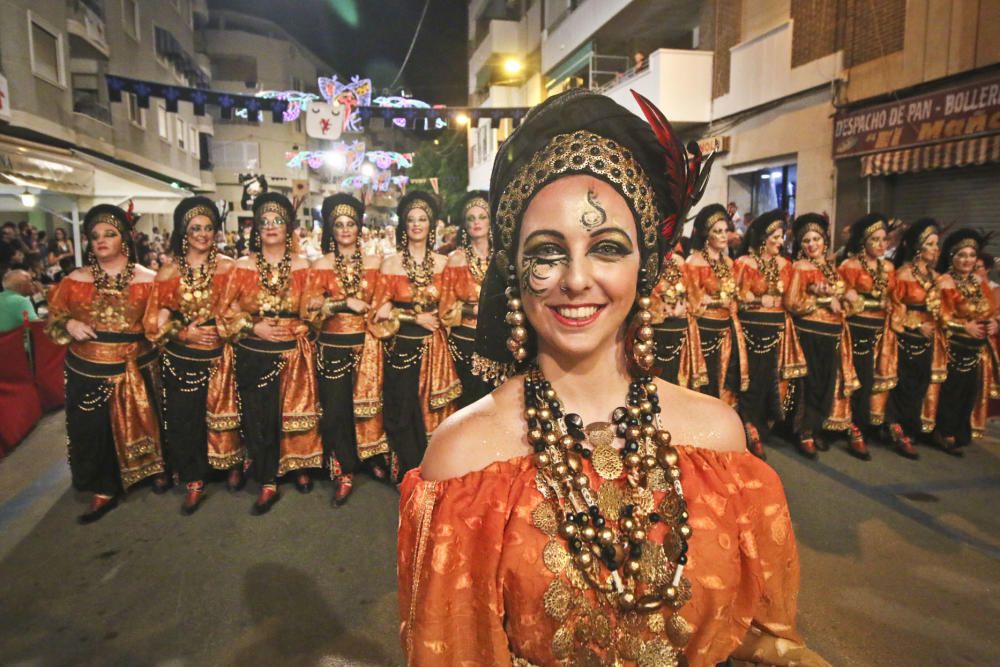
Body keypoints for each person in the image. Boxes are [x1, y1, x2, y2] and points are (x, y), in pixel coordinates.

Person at [398, 90, 827, 666]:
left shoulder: (720, 442)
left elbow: (748, 630)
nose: (576, 279)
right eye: (547, 252)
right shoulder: (462, 458)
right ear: (514, 273)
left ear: (645, 265)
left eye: (606, 248)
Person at [45, 204, 166, 523]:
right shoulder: (74, 279)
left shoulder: (149, 279)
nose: (100, 241)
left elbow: (161, 319)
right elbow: (55, 317)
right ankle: (104, 487)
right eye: (95, 236)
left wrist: (166, 323)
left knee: (145, 421)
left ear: (124, 238)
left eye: (109, 234)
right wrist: (69, 325)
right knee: (94, 430)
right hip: (87, 367)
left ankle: (151, 471)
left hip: (136, 364)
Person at [219, 193, 321, 514]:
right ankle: (267, 480)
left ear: (288, 227)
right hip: (254, 353)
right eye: (264, 222)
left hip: (293, 354)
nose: (271, 227)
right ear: (256, 229)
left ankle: (298, 466)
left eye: (278, 221)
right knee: (259, 418)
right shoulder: (242, 267)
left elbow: (314, 308)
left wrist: (305, 324)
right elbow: (225, 311)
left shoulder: (304, 266)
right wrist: (253, 327)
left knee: (294, 412)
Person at [144, 197, 242, 515]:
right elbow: (155, 318)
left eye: (208, 228)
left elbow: (241, 309)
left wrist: (224, 327)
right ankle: (193, 479)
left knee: (224, 415)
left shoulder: (228, 267)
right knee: (185, 420)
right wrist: (183, 332)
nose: (202, 234)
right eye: (195, 228)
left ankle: (229, 463)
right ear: (183, 232)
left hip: (220, 352)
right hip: (181, 355)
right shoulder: (169, 270)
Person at [371, 191, 460, 480]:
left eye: (422, 219)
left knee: (435, 410)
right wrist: (413, 317)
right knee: (402, 406)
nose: (417, 224)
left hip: (436, 346)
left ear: (431, 224)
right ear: (403, 226)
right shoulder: (391, 264)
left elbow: (452, 305)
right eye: (411, 220)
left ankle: (434, 469)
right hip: (402, 346)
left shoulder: (444, 264)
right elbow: (377, 313)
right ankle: (409, 471)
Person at [304, 194, 383, 505]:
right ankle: (344, 469)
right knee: (337, 410)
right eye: (339, 225)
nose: (346, 229)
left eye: (351, 223)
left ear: (359, 227)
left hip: (368, 346)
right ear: (331, 230)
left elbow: (382, 301)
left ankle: (371, 458)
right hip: (333, 347)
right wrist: (342, 302)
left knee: (370, 407)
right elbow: (308, 308)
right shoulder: (321, 265)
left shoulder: (376, 264)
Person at [784, 214, 863, 459]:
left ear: (824, 241)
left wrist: (849, 299)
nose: (811, 244)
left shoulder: (832, 268)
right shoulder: (800, 268)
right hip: (810, 332)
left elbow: (851, 303)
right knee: (810, 384)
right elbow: (793, 303)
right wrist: (823, 299)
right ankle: (804, 431)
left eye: (816, 239)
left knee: (828, 383)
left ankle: (817, 426)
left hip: (834, 333)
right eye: (806, 240)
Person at [734, 210, 805, 459]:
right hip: (751, 329)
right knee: (750, 379)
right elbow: (735, 297)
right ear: (763, 238)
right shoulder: (744, 263)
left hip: (778, 330)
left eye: (782, 236)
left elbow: (793, 301)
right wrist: (755, 298)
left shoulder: (787, 266)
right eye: (775, 236)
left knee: (770, 380)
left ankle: (763, 425)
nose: (780, 240)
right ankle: (748, 425)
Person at [838, 214, 908, 457]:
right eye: (875, 240)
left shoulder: (888, 268)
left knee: (880, 381)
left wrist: (891, 307)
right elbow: (843, 296)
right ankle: (854, 428)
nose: (881, 244)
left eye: (884, 240)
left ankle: (879, 425)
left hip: (882, 333)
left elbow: (895, 298)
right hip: (856, 332)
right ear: (863, 242)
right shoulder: (849, 266)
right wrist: (858, 301)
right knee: (860, 380)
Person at [884, 219, 946, 456]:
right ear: (919, 248)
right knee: (904, 384)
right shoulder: (904, 275)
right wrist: (917, 324)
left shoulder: (934, 277)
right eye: (930, 244)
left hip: (929, 339)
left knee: (920, 384)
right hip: (908, 338)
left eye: (937, 244)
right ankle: (895, 428)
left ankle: (911, 427)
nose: (935, 249)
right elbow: (895, 307)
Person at [934, 229, 999, 452]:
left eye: (971, 255)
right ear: (952, 257)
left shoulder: (979, 282)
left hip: (977, 348)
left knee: (970, 391)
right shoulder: (945, 281)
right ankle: (943, 432)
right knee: (951, 389)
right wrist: (964, 326)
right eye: (962, 255)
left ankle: (961, 430)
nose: (967, 260)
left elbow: (992, 309)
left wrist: (994, 323)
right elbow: (941, 315)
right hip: (952, 346)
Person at [685, 204, 747, 404]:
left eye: (725, 231)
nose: (723, 236)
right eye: (717, 231)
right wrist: (718, 300)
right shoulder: (695, 263)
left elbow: (736, 296)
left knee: (724, 383)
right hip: (704, 331)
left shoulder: (729, 263)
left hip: (727, 330)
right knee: (706, 384)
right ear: (706, 235)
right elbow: (693, 302)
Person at [441, 190, 495, 407]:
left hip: (498, 338)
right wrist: (469, 310)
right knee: (471, 401)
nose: (477, 223)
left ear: (491, 221)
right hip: (465, 342)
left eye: (482, 217)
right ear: (465, 225)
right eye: (471, 218)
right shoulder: (456, 260)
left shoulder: (502, 256)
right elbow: (445, 307)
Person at [648, 249, 705, 389]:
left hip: (679, 330)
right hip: (653, 331)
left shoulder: (679, 262)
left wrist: (684, 305)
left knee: (677, 382)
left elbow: (693, 293)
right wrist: (660, 308)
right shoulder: (646, 258)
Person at [0, 269, 39, 334]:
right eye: (31, 281)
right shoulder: (21, 301)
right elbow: (37, 326)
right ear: (22, 286)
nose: (33, 284)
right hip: (12, 343)